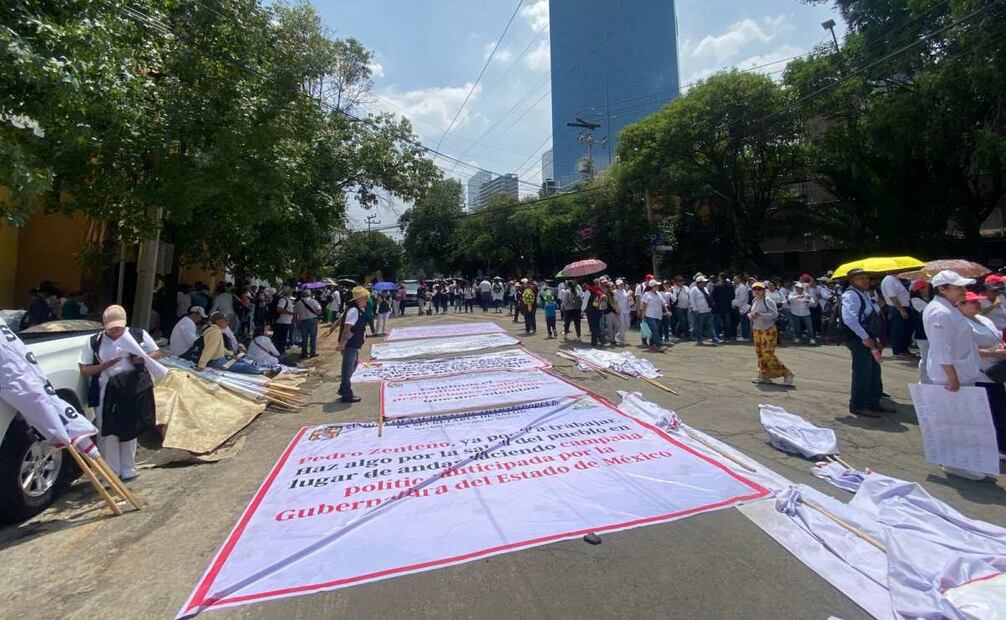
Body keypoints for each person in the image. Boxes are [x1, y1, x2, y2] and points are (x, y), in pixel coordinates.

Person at [78, 305, 162, 480]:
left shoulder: (137, 334)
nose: (116, 330)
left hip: (131, 388)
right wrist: (103, 366)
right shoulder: (95, 341)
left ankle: (128, 468)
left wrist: (143, 358)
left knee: (129, 426)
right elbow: (85, 369)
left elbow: (156, 352)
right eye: (112, 327)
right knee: (107, 429)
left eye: (118, 327)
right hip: (106, 390)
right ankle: (111, 472)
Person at [923, 270, 991, 480]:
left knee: (961, 420)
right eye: (959, 288)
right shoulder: (939, 313)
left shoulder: (948, 309)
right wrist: (952, 377)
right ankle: (956, 463)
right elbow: (942, 348)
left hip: (961, 372)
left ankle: (959, 461)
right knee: (956, 421)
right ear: (942, 289)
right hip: (951, 376)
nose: (964, 291)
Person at [957, 290, 1006, 461]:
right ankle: (997, 447)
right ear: (960, 305)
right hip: (981, 373)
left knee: (999, 408)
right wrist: (993, 353)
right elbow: (967, 350)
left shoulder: (984, 319)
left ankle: (999, 444)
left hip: (996, 370)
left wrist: (1001, 348)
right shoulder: (962, 324)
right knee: (994, 410)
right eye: (973, 302)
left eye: (978, 301)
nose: (978, 304)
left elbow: (996, 338)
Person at [841, 269, 889, 418]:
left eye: (866, 278)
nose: (865, 281)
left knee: (874, 371)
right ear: (852, 281)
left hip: (870, 336)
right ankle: (859, 405)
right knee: (863, 371)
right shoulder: (850, 295)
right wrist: (865, 337)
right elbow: (850, 319)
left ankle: (873, 402)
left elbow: (871, 315)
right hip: (859, 338)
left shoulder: (865, 294)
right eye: (860, 278)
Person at [328, 286, 369, 404]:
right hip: (350, 344)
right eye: (364, 298)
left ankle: (344, 389)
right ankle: (346, 393)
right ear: (358, 299)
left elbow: (341, 319)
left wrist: (333, 328)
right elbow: (347, 329)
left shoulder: (353, 309)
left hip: (353, 344)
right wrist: (342, 343)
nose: (366, 300)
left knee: (352, 367)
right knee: (348, 369)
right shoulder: (354, 310)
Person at [749, 282, 793, 385]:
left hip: (768, 330)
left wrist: (760, 314)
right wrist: (751, 315)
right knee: (760, 354)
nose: (757, 291)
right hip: (757, 329)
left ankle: (787, 373)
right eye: (755, 289)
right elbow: (754, 314)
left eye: (759, 289)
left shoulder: (768, 300)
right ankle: (763, 375)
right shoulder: (755, 301)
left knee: (768, 354)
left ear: (764, 291)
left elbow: (774, 315)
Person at [193, 312, 261, 374]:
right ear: (217, 321)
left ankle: (258, 370)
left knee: (241, 361)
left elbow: (219, 347)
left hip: (220, 359)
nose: (228, 323)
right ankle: (260, 372)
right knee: (245, 367)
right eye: (225, 320)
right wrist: (201, 365)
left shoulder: (216, 330)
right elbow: (209, 350)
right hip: (216, 362)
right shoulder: (215, 332)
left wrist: (231, 354)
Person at [880, 273, 914, 357]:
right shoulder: (889, 280)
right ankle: (898, 350)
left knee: (905, 329)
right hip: (897, 308)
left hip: (904, 306)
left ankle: (904, 349)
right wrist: (901, 310)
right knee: (899, 330)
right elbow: (892, 297)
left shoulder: (895, 279)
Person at [909, 280, 931, 383]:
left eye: (926, 287)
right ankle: (923, 381)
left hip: (931, 332)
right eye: (922, 288)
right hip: (922, 333)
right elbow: (926, 311)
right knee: (925, 358)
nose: (925, 290)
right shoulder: (915, 300)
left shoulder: (932, 299)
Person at [689, 275, 717, 345]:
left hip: (707, 310)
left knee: (710, 325)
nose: (704, 283)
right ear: (699, 282)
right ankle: (699, 340)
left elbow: (708, 298)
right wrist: (695, 309)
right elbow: (692, 300)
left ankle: (714, 338)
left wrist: (710, 308)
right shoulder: (694, 289)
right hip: (699, 311)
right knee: (699, 326)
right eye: (703, 282)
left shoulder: (705, 289)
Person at [294, 291, 322, 359]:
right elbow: (319, 310)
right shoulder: (314, 301)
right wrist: (316, 315)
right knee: (313, 337)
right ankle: (312, 353)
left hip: (302, 321)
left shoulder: (299, 303)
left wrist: (297, 322)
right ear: (310, 294)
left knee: (304, 338)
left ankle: (304, 353)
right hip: (312, 320)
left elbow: (295, 314)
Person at [640, 279, 666, 352]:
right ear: (652, 286)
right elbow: (644, 305)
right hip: (650, 315)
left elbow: (663, 303)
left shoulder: (659, 294)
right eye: (656, 285)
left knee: (655, 330)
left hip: (658, 315)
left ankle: (652, 345)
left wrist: (666, 311)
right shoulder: (647, 294)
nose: (657, 286)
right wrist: (643, 314)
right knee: (654, 329)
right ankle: (659, 344)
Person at [272, 286, 294, 355]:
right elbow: (279, 309)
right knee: (281, 339)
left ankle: (280, 352)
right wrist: (289, 312)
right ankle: (280, 352)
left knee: (282, 338)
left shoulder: (287, 299)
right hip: (282, 322)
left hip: (285, 322)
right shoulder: (283, 299)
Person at [584, 279, 606, 347]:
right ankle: (594, 342)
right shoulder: (600, 290)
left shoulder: (588, 290)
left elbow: (585, 301)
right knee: (596, 325)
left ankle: (601, 338)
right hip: (599, 310)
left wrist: (582, 310)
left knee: (593, 326)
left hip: (590, 310)